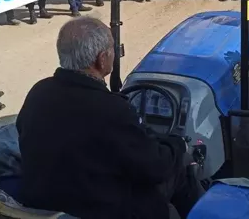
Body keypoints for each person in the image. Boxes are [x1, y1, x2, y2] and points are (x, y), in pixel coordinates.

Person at [17, 18, 201, 219]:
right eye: (113, 49)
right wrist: (177, 144)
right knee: (181, 168)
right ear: (102, 59)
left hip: (48, 202)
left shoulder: (38, 92)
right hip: (99, 209)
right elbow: (154, 167)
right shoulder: (112, 109)